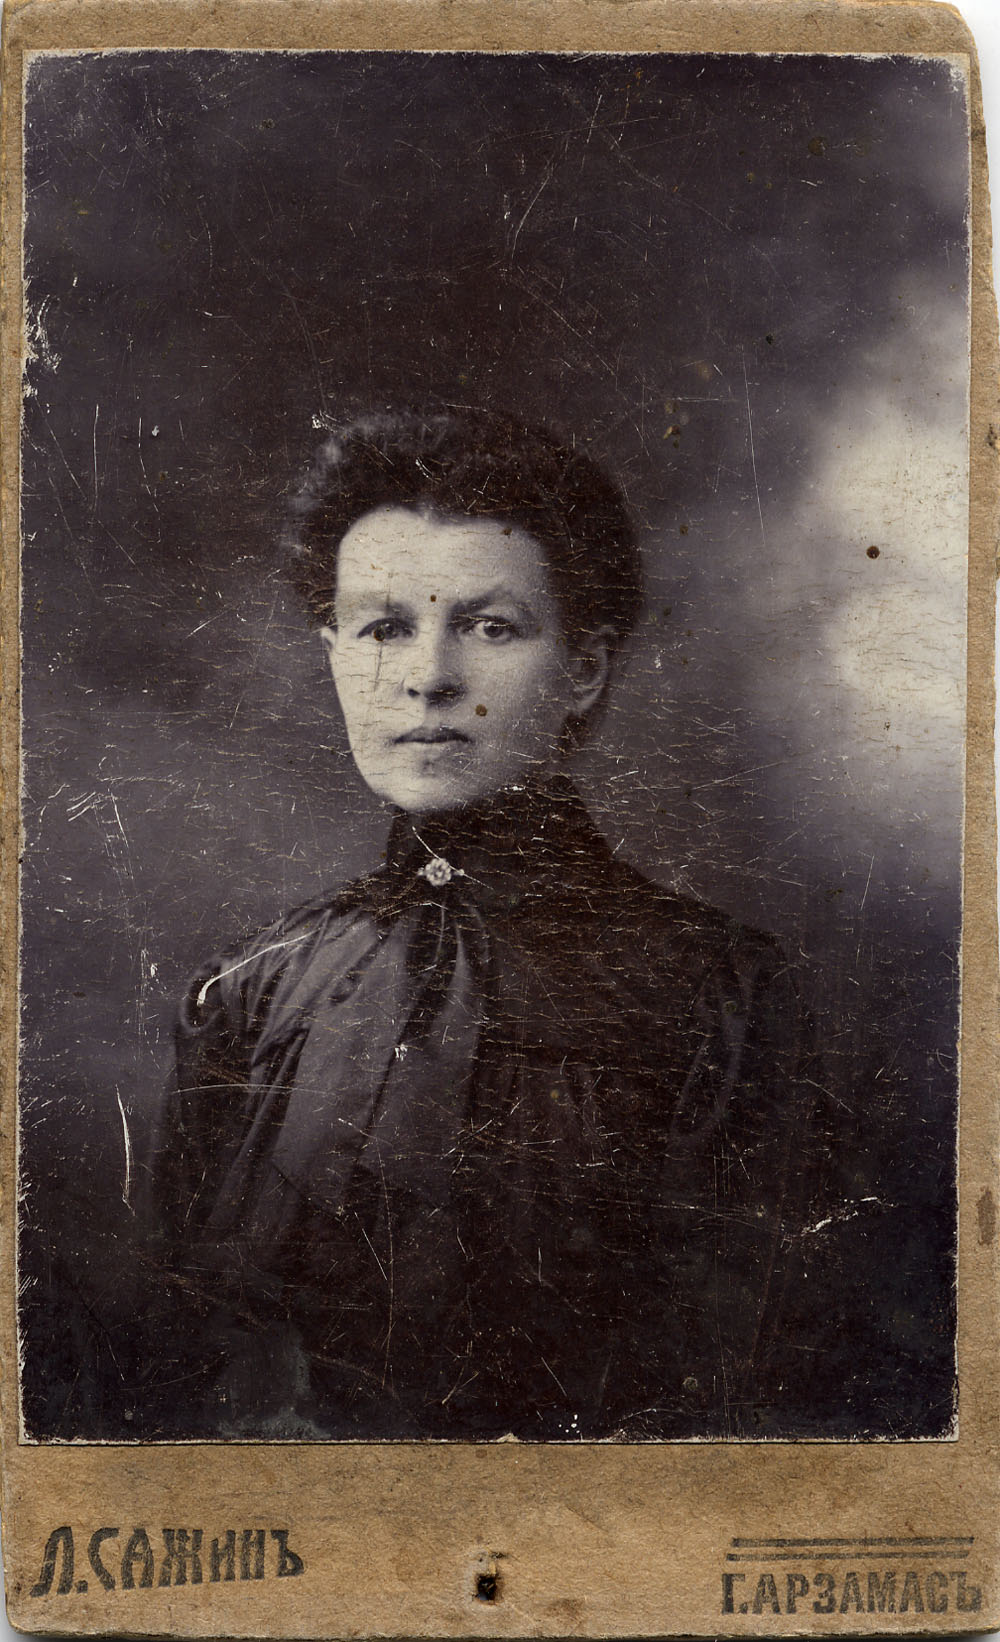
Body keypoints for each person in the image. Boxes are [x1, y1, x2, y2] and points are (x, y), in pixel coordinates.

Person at [141, 407, 818, 1441]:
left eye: (491, 627)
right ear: (334, 655)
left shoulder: (724, 992)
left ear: (584, 669)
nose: (429, 676)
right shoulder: (248, 992)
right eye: (382, 628)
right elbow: (180, 1359)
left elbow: (752, 1388)